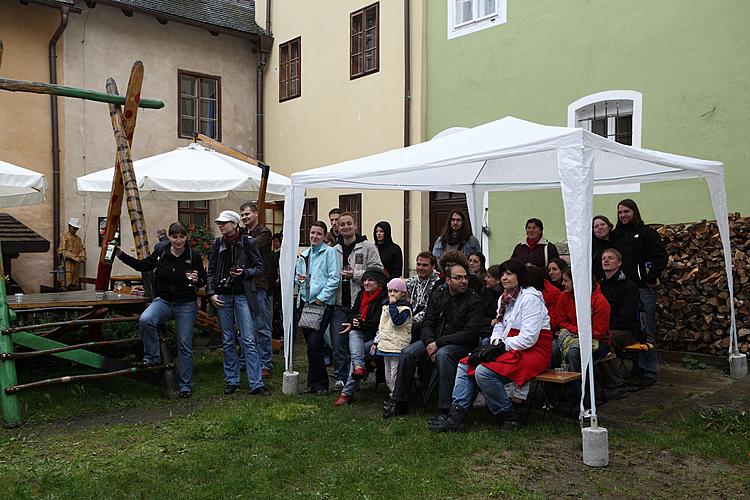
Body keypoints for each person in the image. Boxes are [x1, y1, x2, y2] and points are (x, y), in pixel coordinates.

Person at [429, 260, 552, 433]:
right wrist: (495, 342)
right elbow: (499, 325)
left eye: (509, 274)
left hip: (534, 350)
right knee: (466, 363)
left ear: (520, 276)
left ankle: (508, 415)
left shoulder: (531, 298)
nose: (504, 278)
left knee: (483, 372)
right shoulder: (505, 297)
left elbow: (529, 338)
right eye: (502, 274)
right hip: (508, 344)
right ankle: (456, 415)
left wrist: (501, 346)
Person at [383, 259, 483, 418]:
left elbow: (470, 333)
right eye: (458, 278)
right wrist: (430, 342)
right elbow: (428, 321)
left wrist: (438, 344)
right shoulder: (438, 294)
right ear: (448, 280)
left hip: (460, 344)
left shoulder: (474, 300)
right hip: (434, 340)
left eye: (465, 277)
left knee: (444, 354)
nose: (463, 281)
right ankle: (398, 401)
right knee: (408, 353)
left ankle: (445, 408)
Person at [115, 222, 205, 398]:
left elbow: (202, 280)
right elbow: (142, 265)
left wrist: (197, 279)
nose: (178, 240)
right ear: (170, 238)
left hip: (185, 304)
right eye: (174, 237)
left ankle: (185, 385)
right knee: (146, 319)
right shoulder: (162, 252)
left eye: (181, 237)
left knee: (184, 344)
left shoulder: (193, 256)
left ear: (186, 238)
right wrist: (120, 255)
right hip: (163, 301)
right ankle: (152, 357)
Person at [207, 210, 270, 396]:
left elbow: (259, 269)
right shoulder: (217, 244)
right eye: (219, 223)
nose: (220, 226)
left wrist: (244, 273)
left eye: (224, 223)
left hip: (243, 295)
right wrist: (211, 293)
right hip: (223, 296)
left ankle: (256, 383)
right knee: (227, 340)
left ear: (235, 224)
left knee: (248, 339)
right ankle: (232, 381)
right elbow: (210, 271)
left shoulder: (248, 242)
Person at [610, 199, 667, 389]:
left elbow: (661, 256)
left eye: (626, 211)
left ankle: (649, 370)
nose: (623, 215)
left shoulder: (646, 233)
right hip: (623, 290)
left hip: (642, 289)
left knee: (646, 329)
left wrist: (650, 276)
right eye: (620, 213)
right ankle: (636, 367)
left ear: (634, 211)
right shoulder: (615, 235)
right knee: (630, 329)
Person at [328, 212, 383, 390]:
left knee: (355, 342)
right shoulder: (334, 249)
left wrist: (356, 275)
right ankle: (340, 377)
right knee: (338, 342)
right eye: (341, 224)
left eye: (348, 223)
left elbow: (377, 270)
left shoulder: (367, 247)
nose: (345, 227)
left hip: (360, 303)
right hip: (339, 302)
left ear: (355, 225)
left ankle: (354, 377)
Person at [549, 268, 611, 413]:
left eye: (566, 280)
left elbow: (598, 332)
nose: (563, 284)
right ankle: (553, 397)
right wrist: (575, 329)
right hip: (571, 336)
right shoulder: (564, 297)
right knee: (552, 350)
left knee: (574, 354)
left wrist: (572, 329)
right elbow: (560, 321)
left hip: (599, 342)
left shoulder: (600, 301)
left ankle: (583, 401)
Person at [295, 221, 341, 394]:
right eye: (312, 233)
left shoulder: (330, 252)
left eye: (318, 234)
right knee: (311, 346)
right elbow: (298, 278)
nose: (314, 236)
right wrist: (298, 280)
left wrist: (321, 299)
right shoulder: (304, 254)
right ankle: (313, 383)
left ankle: (321, 383)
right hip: (304, 304)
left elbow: (334, 278)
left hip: (321, 305)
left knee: (315, 344)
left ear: (324, 236)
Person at [334, 268, 389, 405]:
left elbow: (378, 322)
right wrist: (355, 323)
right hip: (361, 332)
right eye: (365, 280)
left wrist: (360, 323)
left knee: (356, 353)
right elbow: (352, 313)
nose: (366, 283)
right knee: (353, 334)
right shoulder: (361, 294)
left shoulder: (384, 298)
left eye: (370, 280)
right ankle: (359, 366)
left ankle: (346, 393)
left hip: (379, 338)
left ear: (380, 284)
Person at [239, 202, 274, 378]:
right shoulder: (242, 234)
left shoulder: (264, 233)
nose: (245, 218)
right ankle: (247, 360)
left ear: (255, 214)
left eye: (247, 214)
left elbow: (249, 246)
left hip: (259, 285)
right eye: (242, 215)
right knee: (245, 327)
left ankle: (265, 363)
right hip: (243, 285)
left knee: (261, 326)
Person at [371, 278, 413, 399]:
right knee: (388, 375)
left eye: (396, 291)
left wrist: (393, 306)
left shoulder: (405, 309)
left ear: (403, 293)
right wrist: (376, 341)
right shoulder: (386, 306)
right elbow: (382, 326)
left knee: (395, 374)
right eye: (390, 291)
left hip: (397, 347)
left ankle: (395, 396)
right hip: (386, 345)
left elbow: (397, 322)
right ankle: (392, 393)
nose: (392, 294)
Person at [599, 248, 641, 352]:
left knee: (601, 341)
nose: (606, 260)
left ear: (619, 263)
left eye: (610, 258)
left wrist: (604, 328)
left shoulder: (629, 286)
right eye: (603, 258)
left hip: (625, 330)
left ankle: (611, 369)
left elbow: (627, 316)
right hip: (602, 328)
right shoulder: (598, 285)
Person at [405, 251, 440, 343]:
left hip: (426, 326)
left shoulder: (438, 285)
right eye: (418, 264)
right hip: (407, 322)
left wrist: (409, 323)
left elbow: (429, 310)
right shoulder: (410, 282)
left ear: (433, 267)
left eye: (424, 265)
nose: (420, 268)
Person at [59, 217, 86, 290]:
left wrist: (82, 257)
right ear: (69, 226)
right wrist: (74, 257)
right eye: (74, 228)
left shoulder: (78, 239)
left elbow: (81, 249)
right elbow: (62, 251)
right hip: (67, 263)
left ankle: (73, 285)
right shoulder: (64, 237)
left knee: (74, 282)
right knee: (67, 280)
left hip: (76, 265)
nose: (75, 230)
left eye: (76, 228)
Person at [479, 265, 502, 343]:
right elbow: (477, 315)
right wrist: (490, 321)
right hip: (485, 330)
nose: (485, 279)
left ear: (498, 280)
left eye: (488, 277)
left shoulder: (506, 296)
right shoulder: (483, 293)